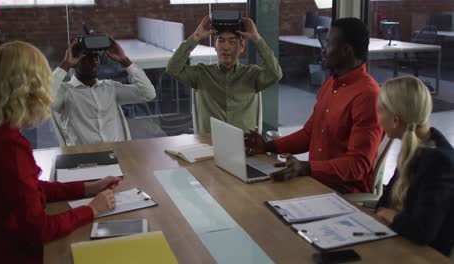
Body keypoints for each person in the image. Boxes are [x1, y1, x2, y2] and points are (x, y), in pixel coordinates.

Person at [0, 41, 121, 263]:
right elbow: (39, 229)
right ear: (30, 91)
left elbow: (28, 190)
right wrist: (92, 209)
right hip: (12, 252)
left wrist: (87, 187)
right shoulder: (10, 147)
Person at [245, 17, 383, 194]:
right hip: (316, 181)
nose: (323, 51)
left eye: (329, 45)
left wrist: (306, 168)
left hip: (341, 191)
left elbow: (358, 166)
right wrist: (266, 146)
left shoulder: (368, 95)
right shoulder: (331, 83)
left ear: (346, 50)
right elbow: (309, 134)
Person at [375, 76, 454, 256]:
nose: (378, 120)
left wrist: (392, 216)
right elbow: (384, 204)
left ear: (395, 120)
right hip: (398, 243)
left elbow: (423, 231)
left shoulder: (439, 163)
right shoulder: (415, 146)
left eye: (380, 111)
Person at [167, 15, 282, 133]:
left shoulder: (251, 74)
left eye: (232, 42)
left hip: (244, 145)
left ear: (242, 46)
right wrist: (196, 37)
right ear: (215, 47)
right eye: (221, 41)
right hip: (209, 144)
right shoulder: (202, 73)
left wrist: (257, 39)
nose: (226, 47)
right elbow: (172, 69)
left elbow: (275, 74)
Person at [52, 36, 156, 146]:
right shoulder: (65, 92)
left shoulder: (110, 87)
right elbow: (42, 101)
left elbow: (148, 93)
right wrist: (65, 65)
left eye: (96, 57)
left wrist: (125, 60)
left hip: (118, 155)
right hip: (84, 159)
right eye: (88, 58)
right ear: (75, 62)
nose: (95, 62)